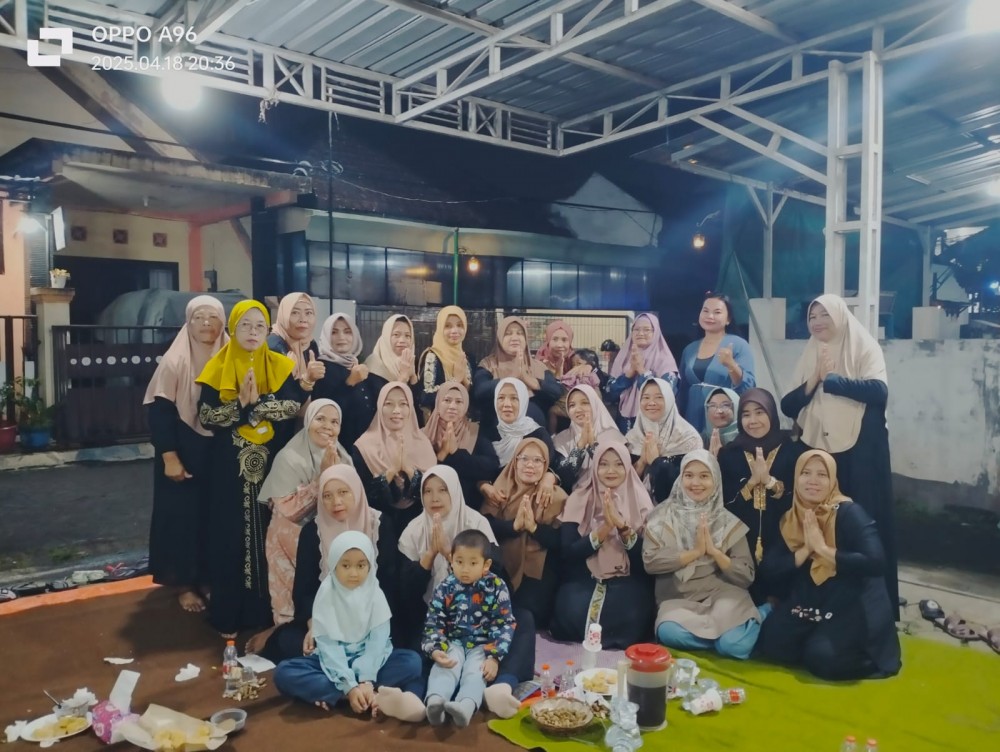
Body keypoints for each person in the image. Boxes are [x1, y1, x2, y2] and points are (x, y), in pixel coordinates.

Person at [780, 294, 898, 617]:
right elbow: (788, 405)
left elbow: (879, 391)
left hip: (859, 452)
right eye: (812, 316)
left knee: (858, 523)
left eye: (825, 315)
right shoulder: (810, 353)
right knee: (817, 521)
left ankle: (869, 602)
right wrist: (815, 378)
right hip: (819, 451)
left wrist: (832, 381)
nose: (817, 322)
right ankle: (818, 594)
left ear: (841, 317)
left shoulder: (864, 346)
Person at [197, 300, 307, 637]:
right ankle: (228, 615)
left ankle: (264, 613)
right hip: (228, 471)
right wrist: (240, 407)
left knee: (268, 534)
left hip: (271, 467)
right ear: (232, 329)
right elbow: (207, 416)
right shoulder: (217, 367)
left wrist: (256, 406)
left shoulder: (279, 365)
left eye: (260, 325)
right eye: (245, 325)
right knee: (230, 537)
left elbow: (292, 405)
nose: (253, 332)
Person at [397, 466, 533, 719]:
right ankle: (416, 699)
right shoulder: (413, 531)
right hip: (436, 616)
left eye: (442, 490)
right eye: (427, 491)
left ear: (455, 491)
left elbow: (498, 580)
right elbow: (406, 596)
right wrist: (430, 554)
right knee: (418, 645)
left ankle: (501, 686)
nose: (434, 498)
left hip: (481, 620)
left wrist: (451, 555)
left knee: (522, 620)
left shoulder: (476, 523)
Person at [756, 450, 901, 680]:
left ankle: (856, 654)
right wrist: (806, 549)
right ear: (796, 477)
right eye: (806, 473)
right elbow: (770, 569)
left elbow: (875, 562)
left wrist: (823, 550)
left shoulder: (849, 512)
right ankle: (814, 638)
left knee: (823, 659)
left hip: (853, 597)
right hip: (812, 596)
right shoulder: (792, 518)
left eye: (822, 475)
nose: (812, 481)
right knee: (772, 643)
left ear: (832, 479)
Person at [273, 531, 426, 721]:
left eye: (361, 565)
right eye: (345, 565)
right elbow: (329, 647)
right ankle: (359, 696)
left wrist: (366, 680)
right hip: (333, 665)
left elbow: (378, 641)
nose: (354, 573)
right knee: (283, 673)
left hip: (371, 663)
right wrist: (349, 686)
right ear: (334, 565)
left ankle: (348, 694)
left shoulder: (374, 591)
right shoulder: (326, 593)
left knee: (412, 662)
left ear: (370, 565)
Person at [261, 464, 396, 663]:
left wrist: (364, 625)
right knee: (286, 641)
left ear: (356, 490)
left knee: (405, 656)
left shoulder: (380, 524)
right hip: (326, 620)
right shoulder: (312, 532)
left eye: (343, 492)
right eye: (327, 496)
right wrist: (315, 624)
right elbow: (304, 592)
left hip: (371, 621)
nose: (336, 502)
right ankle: (349, 666)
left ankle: (333, 666)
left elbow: (389, 584)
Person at [144, 295, 227, 613]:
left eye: (213, 317)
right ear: (188, 323)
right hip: (182, 448)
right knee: (182, 519)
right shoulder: (175, 360)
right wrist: (170, 457)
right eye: (199, 317)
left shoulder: (229, 356)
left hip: (216, 450)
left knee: (212, 516)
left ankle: (206, 578)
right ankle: (184, 584)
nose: (206, 323)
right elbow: (160, 412)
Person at [642, 450, 764, 660]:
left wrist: (714, 552)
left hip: (723, 594)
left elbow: (746, 576)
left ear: (715, 480)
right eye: (689, 475)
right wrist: (695, 552)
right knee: (668, 633)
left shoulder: (727, 521)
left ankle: (758, 615)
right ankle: (727, 635)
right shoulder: (660, 517)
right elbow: (650, 562)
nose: (695, 483)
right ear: (680, 478)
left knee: (733, 647)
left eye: (704, 476)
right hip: (678, 599)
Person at [257, 399, 352, 646]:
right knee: (291, 610)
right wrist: (322, 477)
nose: (328, 426)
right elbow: (289, 510)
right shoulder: (288, 457)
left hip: (326, 532)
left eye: (335, 422)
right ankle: (286, 635)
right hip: (291, 535)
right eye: (320, 419)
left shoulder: (343, 457)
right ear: (308, 421)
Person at [551, 441, 655, 649]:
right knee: (569, 611)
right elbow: (569, 552)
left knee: (633, 615)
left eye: (618, 464)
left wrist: (623, 529)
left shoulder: (642, 501)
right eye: (604, 464)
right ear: (595, 466)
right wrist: (604, 529)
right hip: (584, 576)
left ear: (627, 467)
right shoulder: (579, 498)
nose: (610, 471)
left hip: (628, 577)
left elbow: (646, 559)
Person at [422, 529, 517, 728]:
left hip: (482, 646)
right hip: (453, 642)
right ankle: (435, 702)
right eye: (459, 562)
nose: (465, 569)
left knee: (476, 673)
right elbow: (434, 621)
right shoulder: (445, 586)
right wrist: (435, 648)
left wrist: (494, 656)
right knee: (445, 666)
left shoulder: (496, 586)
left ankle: (465, 706)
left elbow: (504, 623)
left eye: (473, 563)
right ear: (451, 560)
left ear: (486, 565)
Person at [717, 388, 803, 602]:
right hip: (741, 538)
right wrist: (752, 483)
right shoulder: (729, 454)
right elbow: (725, 504)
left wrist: (770, 482)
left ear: (771, 413)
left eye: (759, 412)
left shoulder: (792, 451)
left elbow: (799, 499)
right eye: (746, 414)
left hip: (782, 535)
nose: (753, 421)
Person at [481, 438, 567, 629]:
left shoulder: (556, 496)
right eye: (524, 459)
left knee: (526, 614)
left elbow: (562, 543)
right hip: (501, 564)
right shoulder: (499, 490)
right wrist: (513, 527)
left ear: (546, 465)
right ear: (515, 461)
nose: (530, 465)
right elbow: (484, 527)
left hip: (538, 569)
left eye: (537, 460)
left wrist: (534, 528)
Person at [350, 381, 437, 546]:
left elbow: (433, 490)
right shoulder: (363, 446)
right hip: (377, 529)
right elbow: (362, 495)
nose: (396, 410)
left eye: (403, 404)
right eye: (388, 404)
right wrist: (391, 471)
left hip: (419, 528)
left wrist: (409, 470)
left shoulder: (423, 443)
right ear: (379, 406)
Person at [677, 293, 756, 433]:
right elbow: (683, 390)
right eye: (705, 311)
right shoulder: (689, 349)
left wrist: (731, 365)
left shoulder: (739, 345)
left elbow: (748, 388)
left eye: (717, 312)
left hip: (723, 417)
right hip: (691, 419)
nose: (710, 316)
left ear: (728, 319)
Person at [473, 316, 562, 429]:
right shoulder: (488, 364)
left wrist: (526, 378)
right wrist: (511, 378)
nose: (514, 338)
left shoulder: (538, 367)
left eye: (520, 333)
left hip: (535, 435)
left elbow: (556, 392)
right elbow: (479, 391)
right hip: (497, 433)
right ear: (499, 338)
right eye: (508, 334)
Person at [422, 382, 500, 510]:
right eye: (447, 400)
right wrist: (442, 454)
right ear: (438, 402)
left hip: (467, 505)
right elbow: (420, 476)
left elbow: (491, 466)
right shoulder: (423, 435)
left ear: (466, 406)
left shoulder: (474, 432)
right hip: (430, 506)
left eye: (459, 402)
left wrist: (456, 453)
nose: (452, 406)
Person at [626, 378, 702, 502]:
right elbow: (623, 485)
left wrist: (656, 462)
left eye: (659, 397)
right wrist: (641, 462)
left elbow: (689, 486)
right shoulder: (632, 438)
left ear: (669, 400)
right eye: (646, 397)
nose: (651, 403)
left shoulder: (688, 438)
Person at [312, 313, 377, 448]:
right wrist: (350, 382)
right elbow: (325, 413)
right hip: (336, 448)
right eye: (334, 332)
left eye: (347, 332)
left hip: (363, 448)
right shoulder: (322, 368)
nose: (341, 337)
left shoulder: (355, 364)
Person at [607, 313, 679, 432]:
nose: (640, 333)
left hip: (654, 421)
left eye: (646, 329)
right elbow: (609, 392)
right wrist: (629, 374)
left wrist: (642, 371)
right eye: (636, 329)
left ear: (655, 332)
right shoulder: (623, 358)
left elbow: (666, 394)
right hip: (624, 421)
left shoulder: (665, 360)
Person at [552, 384, 624, 490]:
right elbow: (564, 479)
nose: (578, 409)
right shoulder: (561, 440)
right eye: (572, 405)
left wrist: (592, 445)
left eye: (585, 403)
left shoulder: (613, 436)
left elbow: (615, 473)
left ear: (595, 404)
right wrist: (580, 447)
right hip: (574, 496)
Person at [535, 320, 598, 433]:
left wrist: (589, 366)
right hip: (548, 408)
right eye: (555, 339)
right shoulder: (540, 360)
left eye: (564, 340)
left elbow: (597, 374)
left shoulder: (573, 358)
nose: (560, 345)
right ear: (548, 340)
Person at [483, 377, 558, 468]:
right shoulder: (488, 434)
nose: (507, 404)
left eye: (514, 398)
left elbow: (548, 467)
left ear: (523, 401)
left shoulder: (538, 434)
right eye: (501, 398)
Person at [417, 306, 476, 419]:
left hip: (462, 424)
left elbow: (474, 400)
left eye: (459, 325)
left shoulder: (467, 358)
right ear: (440, 328)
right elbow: (424, 398)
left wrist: (466, 383)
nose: (454, 331)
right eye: (448, 326)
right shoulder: (432, 357)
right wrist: (455, 380)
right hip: (438, 423)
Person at [267, 292, 325, 386]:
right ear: (284, 315)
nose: (303, 319)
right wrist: (308, 380)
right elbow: (283, 393)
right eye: (295, 313)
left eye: (308, 313)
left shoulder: (310, 343)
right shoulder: (274, 348)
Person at [365, 314, 419, 399]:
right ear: (386, 336)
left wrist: (413, 377)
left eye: (407, 336)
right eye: (396, 335)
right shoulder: (373, 366)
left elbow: (418, 404)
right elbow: (387, 404)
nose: (402, 340)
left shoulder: (412, 362)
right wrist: (403, 377)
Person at [702, 387, 740, 456]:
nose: (719, 411)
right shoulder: (699, 440)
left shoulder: (746, 440)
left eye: (725, 405)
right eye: (713, 406)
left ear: (736, 407)